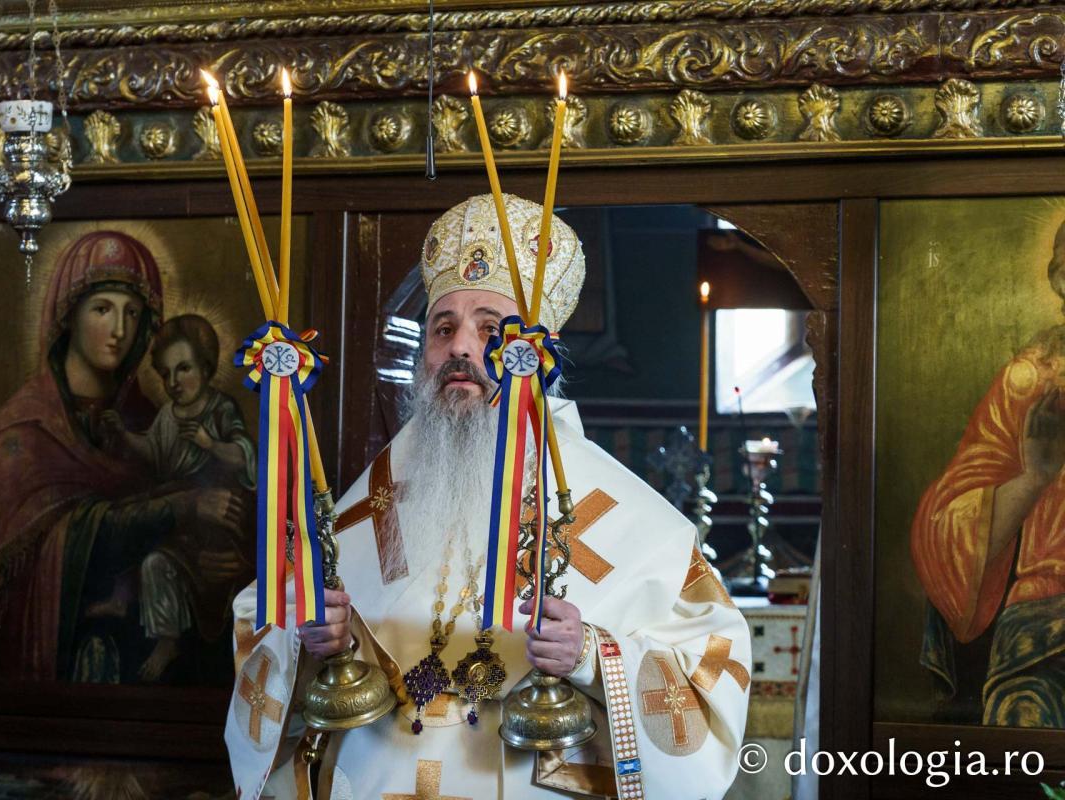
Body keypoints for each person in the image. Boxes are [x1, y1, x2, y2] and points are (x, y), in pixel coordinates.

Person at [225, 195, 751, 799]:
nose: (460, 348)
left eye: (489, 330)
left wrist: (591, 654)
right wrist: (316, 640)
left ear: (535, 354)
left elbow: (712, 668)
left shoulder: (623, 515)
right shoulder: (377, 494)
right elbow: (268, 617)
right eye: (443, 328)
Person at [0, 230, 245, 682]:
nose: (119, 330)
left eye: (132, 313)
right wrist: (180, 507)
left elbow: (206, 509)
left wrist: (219, 570)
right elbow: (54, 551)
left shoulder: (151, 419)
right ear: (67, 316)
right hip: (54, 668)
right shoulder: (19, 434)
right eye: (102, 309)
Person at [912, 219, 1065, 727]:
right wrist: (1034, 479)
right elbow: (944, 528)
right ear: (1059, 280)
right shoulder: (1030, 381)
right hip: (1046, 623)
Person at [98, 313, 256, 681]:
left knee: (158, 560)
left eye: (183, 369)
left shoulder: (220, 408)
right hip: (180, 507)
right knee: (134, 526)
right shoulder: (168, 415)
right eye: (166, 373)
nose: (173, 382)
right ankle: (123, 598)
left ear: (206, 367)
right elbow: (155, 452)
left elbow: (245, 454)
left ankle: (168, 640)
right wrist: (124, 435)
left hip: (216, 516)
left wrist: (209, 443)